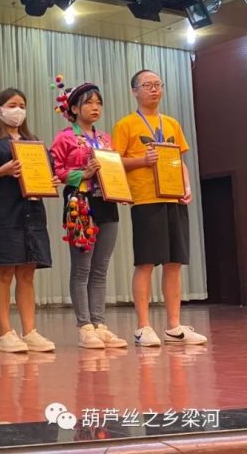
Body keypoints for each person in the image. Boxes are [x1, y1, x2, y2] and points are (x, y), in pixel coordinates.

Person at [112, 69, 207, 347]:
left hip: (173, 197)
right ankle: (143, 327)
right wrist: (142, 161)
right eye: (147, 85)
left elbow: (180, 160)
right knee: (146, 262)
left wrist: (186, 186)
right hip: (145, 200)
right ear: (134, 91)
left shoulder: (172, 123)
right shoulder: (126, 124)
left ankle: (174, 326)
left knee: (174, 263)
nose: (154, 89)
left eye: (157, 84)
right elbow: (114, 161)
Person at [0, 88, 56, 353]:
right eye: (12, 105)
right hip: (4, 213)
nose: (18, 110)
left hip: (32, 213)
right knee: (5, 271)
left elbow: (47, 170)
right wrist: (4, 170)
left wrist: (50, 180)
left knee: (28, 273)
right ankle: (5, 332)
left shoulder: (33, 141)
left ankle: (29, 331)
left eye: (22, 105)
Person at [49, 81, 127, 349]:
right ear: (73, 108)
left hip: (106, 202)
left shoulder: (105, 139)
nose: (95, 108)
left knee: (101, 268)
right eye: (89, 103)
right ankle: (84, 326)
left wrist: (120, 188)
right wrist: (83, 174)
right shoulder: (64, 138)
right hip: (79, 202)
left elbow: (114, 169)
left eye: (99, 103)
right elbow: (55, 171)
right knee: (82, 267)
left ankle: (100, 324)